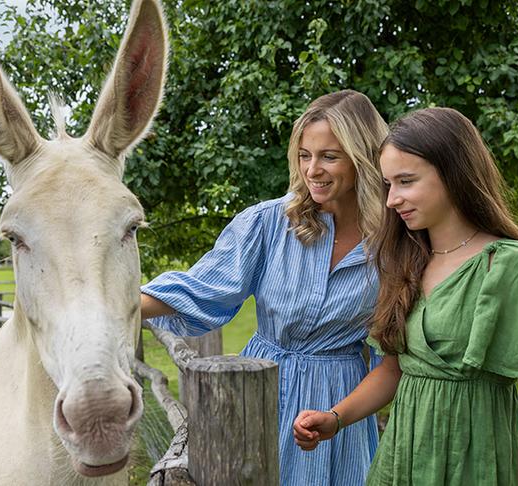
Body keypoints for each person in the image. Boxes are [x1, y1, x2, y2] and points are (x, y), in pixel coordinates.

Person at [293, 107, 518, 485]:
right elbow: (393, 369)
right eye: (389, 185)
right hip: (401, 460)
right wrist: (335, 419)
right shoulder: (404, 260)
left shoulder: (511, 267)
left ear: (454, 175)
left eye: (406, 181)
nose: (391, 200)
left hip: (478, 457)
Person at [141, 90, 388, 486]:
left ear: (363, 158)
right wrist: (119, 304)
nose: (312, 170)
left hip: (338, 401)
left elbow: (392, 355)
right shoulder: (269, 223)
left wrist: (341, 415)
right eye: (304, 155)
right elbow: (203, 287)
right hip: (259, 390)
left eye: (329, 156)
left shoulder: (393, 244)